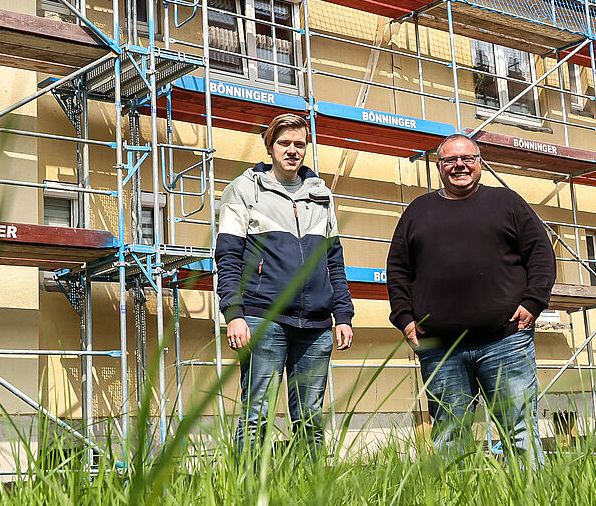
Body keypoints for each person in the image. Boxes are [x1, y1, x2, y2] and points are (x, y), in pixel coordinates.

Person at [386, 132, 554, 465]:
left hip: (505, 340)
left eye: (467, 159)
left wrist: (533, 303)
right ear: (439, 165)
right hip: (440, 346)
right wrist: (404, 320)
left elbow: (541, 254)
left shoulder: (507, 202)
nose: (459, 165)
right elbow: (397, 271)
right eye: (450, 160)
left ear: (479, 163)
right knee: (450, 434)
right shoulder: (417, 211)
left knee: (519, 430)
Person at [214, 113, 355, 457]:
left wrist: (344, 315)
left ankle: (311, 496)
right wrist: (234, 314)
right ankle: (245, 493)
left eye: (299, 144)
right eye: (284, 144)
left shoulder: (321, 195)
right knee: (256, 416)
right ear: (270, 147)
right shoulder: (244, 190)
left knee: (310, 419)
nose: (292, 151)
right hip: (265, 319)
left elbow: (334, 260)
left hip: (318, 325)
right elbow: (228, 257)